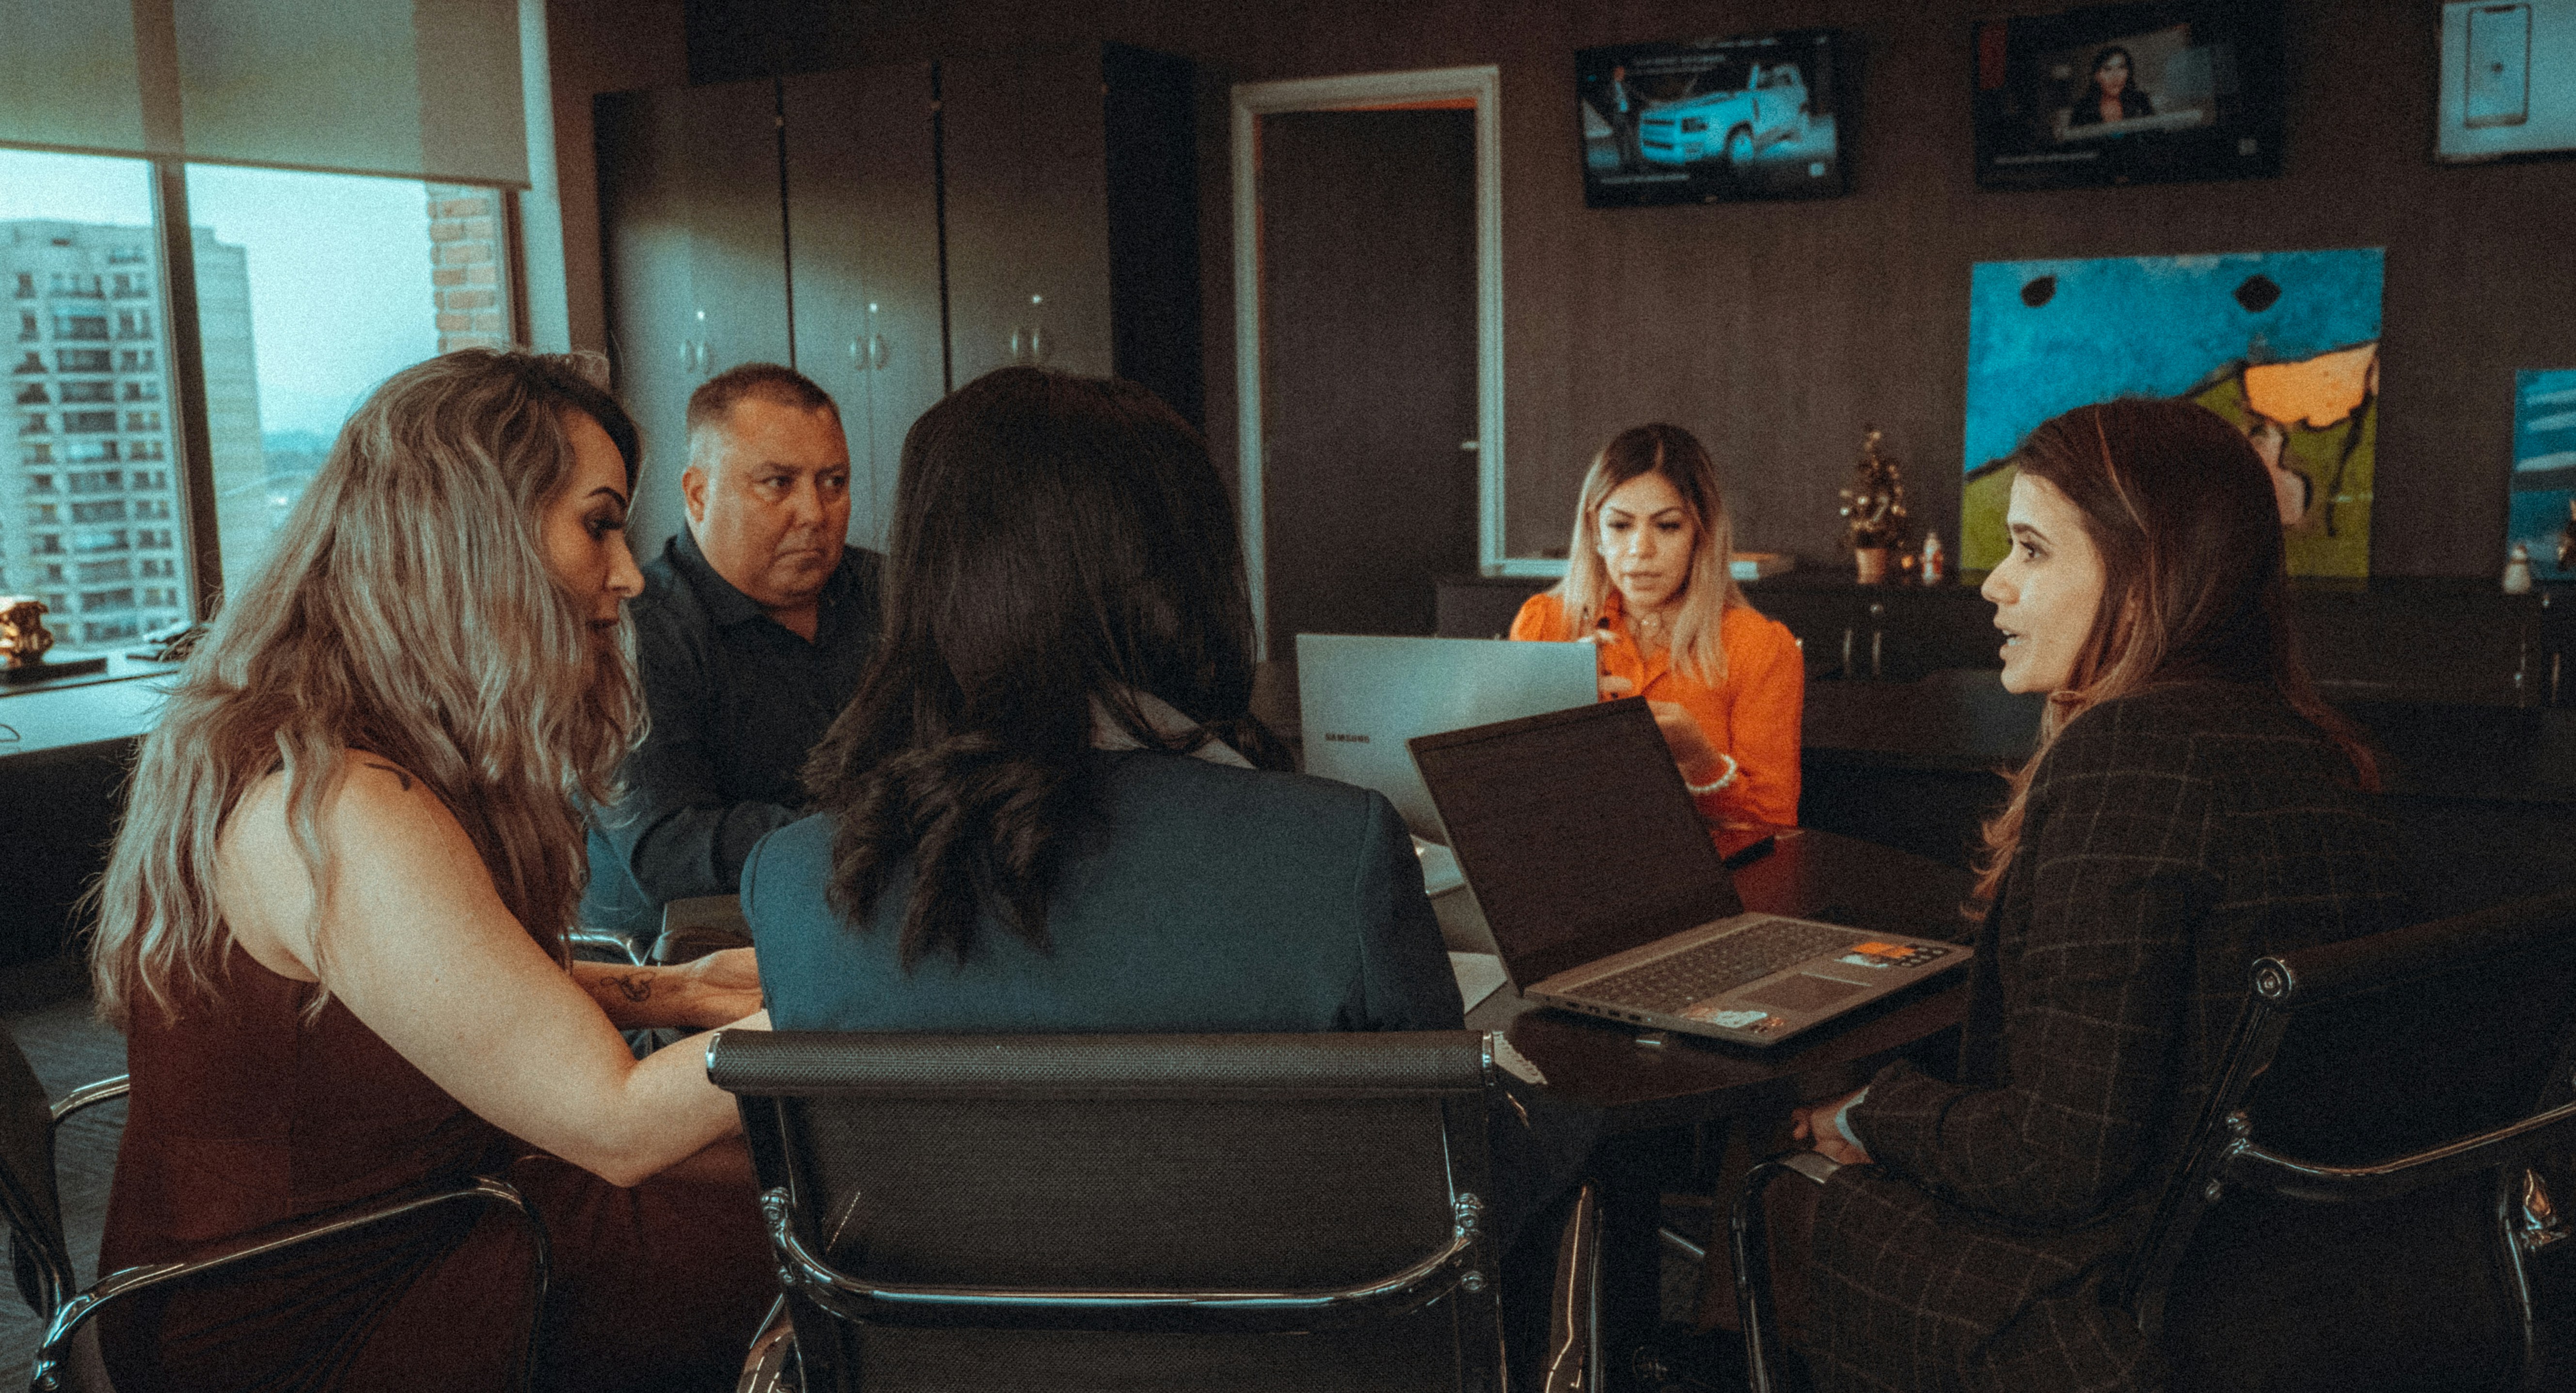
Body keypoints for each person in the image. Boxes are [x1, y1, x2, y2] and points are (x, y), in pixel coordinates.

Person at [744, 366, 1592, 1329]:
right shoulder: (1329, 853)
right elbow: (1459, 1189)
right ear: (1178, 572)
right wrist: (1548, 1104)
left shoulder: (797, 884)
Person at [89, 350, 776, 1393]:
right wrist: (855, 994)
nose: (631, 573)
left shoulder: (332, 738)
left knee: (805, 1174)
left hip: (420, 1206)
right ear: (472, 536)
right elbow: (618, 1121)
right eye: (597, 523)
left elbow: (417, 983)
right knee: (825, 1235)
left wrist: (667, 989)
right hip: (317, 1312)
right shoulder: (337, 803)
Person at [1772, 399, 2405, 1392]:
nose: (1993, 585)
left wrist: (1871, 1113)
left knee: (1779, 1190)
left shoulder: (2130, 755)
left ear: (2148, 569)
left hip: (2121, 1307)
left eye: (2029, 549)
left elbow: (2052, 1157)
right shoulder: (2311, 747)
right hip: (2287, 1278)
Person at [580, 362, 883, 945]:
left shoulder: (893, 596)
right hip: (689, 973)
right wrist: (878, 828)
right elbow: (670, 852)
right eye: (778, 483)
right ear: (698, 493)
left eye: (833, 482)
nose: (814, 513)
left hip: (863, 933)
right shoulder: (631, 630)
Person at [1509, 423, 1803, 829]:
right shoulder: (1544, 625)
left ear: (1701, 534)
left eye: (1667, 526)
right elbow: (1508, 799)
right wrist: (1558, 715)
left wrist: (1702, 762)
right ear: (1595, 531)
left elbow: (1776, 827)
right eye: (1620, 525)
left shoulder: (1759, 646)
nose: (1640, 550)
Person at [2068, 45, 2155, 127]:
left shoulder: (2140, 101)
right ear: (2097, 76)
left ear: (2129, 73)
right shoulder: (2083, 108)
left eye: (2121, 68)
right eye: (2107, 69)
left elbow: (2155, 135)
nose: (2115, 76)